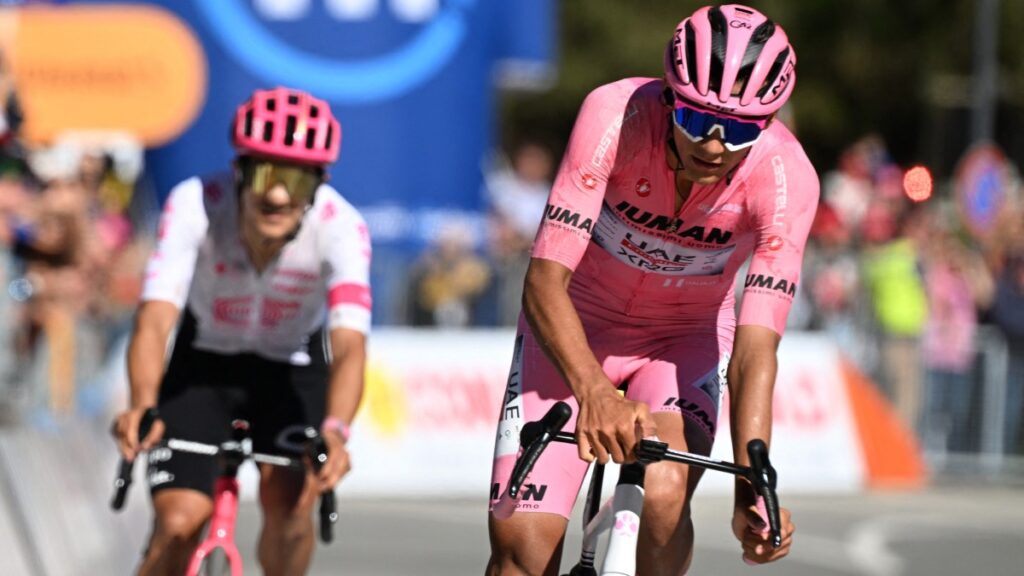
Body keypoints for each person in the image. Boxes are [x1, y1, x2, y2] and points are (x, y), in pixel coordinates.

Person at [487, 5, 816, 574]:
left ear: (768, 122)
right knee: (522, 553)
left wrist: (751, 482)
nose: (713, 145)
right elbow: (543, 279)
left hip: (682, 340)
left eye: (739, 129)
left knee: (664, 495)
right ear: (668, 97)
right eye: (696, 120)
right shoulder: (615, 114)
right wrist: (591, 391)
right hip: (576, 328)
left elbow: (756, 349)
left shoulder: (787, 178)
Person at [111, 87, 372, 576]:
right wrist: (143, 402)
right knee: (178, 523)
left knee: (292, 508)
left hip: (291, 371)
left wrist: (336, 431)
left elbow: (351, 345)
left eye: (293, 179)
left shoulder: (343, 227)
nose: (276, 195)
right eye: (266, 173)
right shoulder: (194, 203)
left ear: (318, 184)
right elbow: (155, 317)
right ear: (239, 172)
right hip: (203, 365)